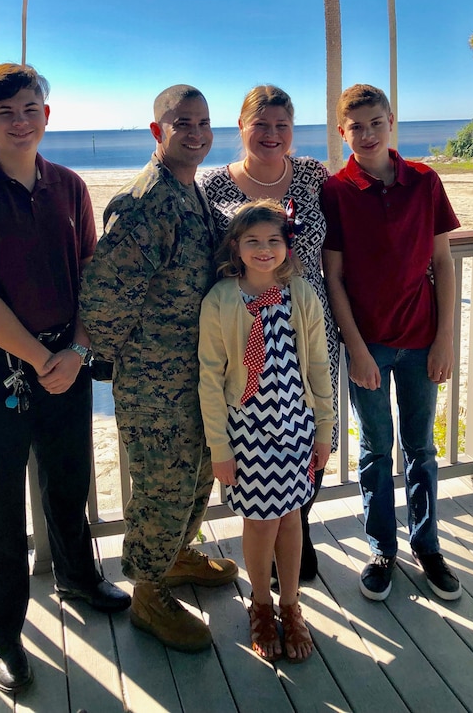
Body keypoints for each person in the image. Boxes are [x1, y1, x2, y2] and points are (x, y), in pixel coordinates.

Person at [0, 64, 130, 696]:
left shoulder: (69, 187)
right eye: (6, 111)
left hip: (65, 356)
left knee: (68, 479)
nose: (20, 121)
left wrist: (75, 349)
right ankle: (4, 630)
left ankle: (75, 575)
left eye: (30, 108)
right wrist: (45, 362)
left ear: (48, 114)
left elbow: (92, 277)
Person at [79, 84, 238, 654]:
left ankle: (173, 559)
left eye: (203, 122)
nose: (194, 133)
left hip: (196, 373)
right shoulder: (146, 202)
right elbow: (104, 300)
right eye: (181, 123)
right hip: (156, 381)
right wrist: (122, 364)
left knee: (195, 475)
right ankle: (148, 593)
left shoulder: (188, 192)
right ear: (157, 131)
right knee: (161, 485)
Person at [321, 84, 462, 602]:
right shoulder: (336, 191)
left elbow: (442, 263)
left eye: (376, 122)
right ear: (343, 131)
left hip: (424, 341)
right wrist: (355, 348)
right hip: (370, 346)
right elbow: (333, 277)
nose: (367, 133)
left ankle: (427, 545)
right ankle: (383, 548)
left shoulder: (424, 181)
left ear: (391, 122)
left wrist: (445, 339)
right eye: (355, 126)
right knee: (377, 450)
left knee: (421, 448)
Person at [198, 85, 338, 581]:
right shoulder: (213, 184)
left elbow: (340, 246)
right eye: (261, 125)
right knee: (258, 456)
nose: (272, 134)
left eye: (282, 125)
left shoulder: (312, 175)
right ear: (241, 128)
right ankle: (270, 564)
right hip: (242, 325)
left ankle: (295, 533)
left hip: (307, 320)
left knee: (310, 438)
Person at [198, 199, 334, 663]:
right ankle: (260, 603)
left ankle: (291, 603)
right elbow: (211, 379)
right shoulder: (221, 300)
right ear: (236, 247)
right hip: (247, 429)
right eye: (252, 240)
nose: (263, 249)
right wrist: (221, 446)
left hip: (295, 423)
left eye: (273, 240)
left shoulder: (300, 295)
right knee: (260, 522)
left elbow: (318, 366)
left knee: (292, 516)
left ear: (286, 246)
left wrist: (324, 430)